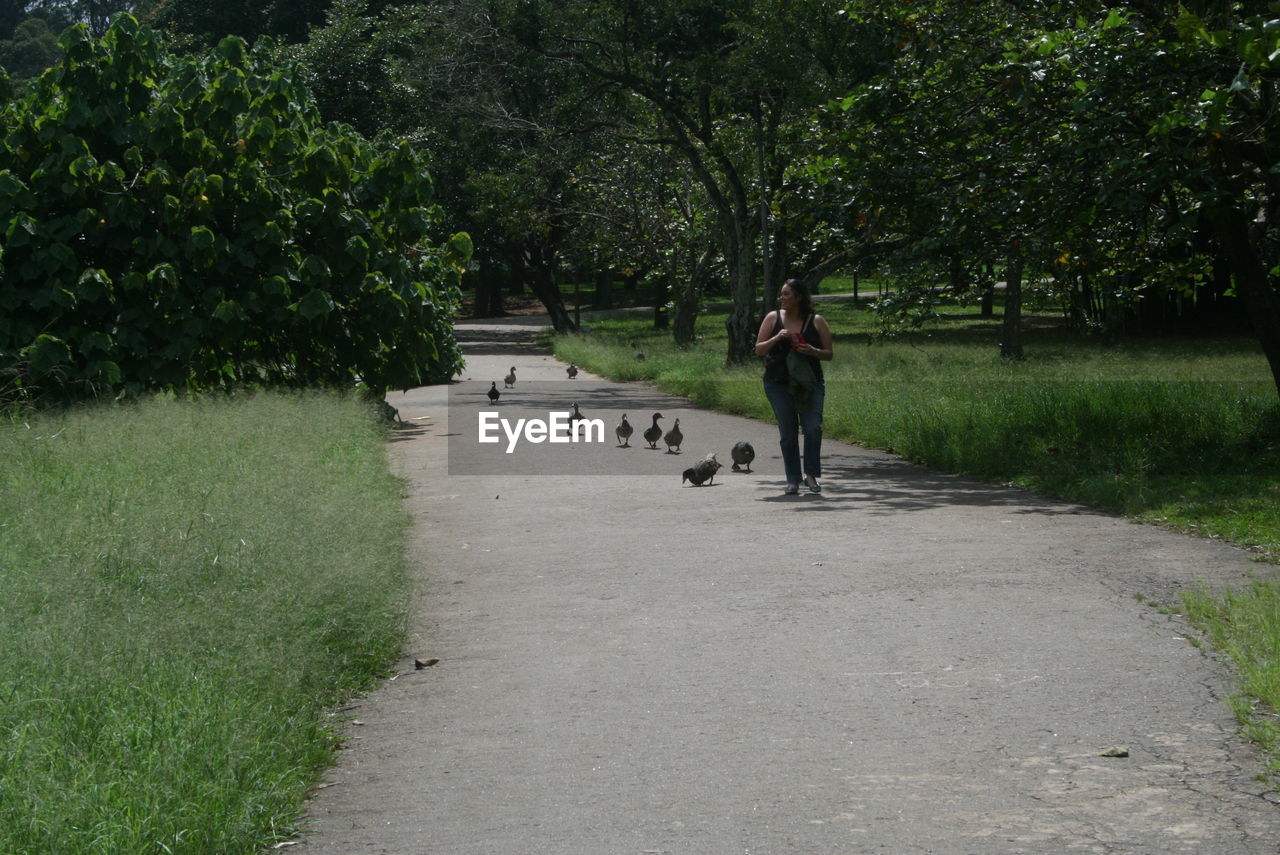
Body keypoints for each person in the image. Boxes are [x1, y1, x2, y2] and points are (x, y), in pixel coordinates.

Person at [754, 278, 834, 495]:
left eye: (787, 294)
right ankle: (792, 479)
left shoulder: (816, 321)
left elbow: (829, 354)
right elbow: (759, 350)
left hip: (810, 383)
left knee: (812, 427)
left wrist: (813, 351)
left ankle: (811, 475)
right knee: (788, 432)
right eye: (782, 293)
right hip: (777, 383)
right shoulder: (773, 318)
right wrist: (777, 338)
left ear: (799, 297)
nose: (782, 298)